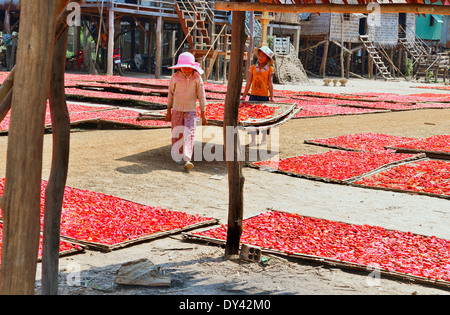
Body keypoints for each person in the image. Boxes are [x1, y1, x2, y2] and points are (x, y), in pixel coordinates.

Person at [165, 52, 208, 171]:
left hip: (191, 111)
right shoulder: (175, 77)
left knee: (189, 133)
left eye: (189, 67)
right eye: (184, 67)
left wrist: (203, 114)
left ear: (193, 67)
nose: (186, 69)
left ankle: (187, 158)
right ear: (180, 66)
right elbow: (171, 94)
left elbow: (202, 96)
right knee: (177, 133)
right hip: (177, 110)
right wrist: (168, 111)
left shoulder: (197, 78)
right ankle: (177, 155)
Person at [241, 46, 275, 146]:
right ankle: (253, 140)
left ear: (267, 58)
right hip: (253, 96)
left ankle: (264, 139)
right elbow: (248, 82)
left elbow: (270, 84)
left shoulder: (270, 69)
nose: (260, 58)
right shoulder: (252, 68)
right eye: (259, 55)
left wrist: (272, 97)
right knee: (252, 118)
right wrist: (244, 96)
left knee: (264, 118)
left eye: (263, 56)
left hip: (264, 97)